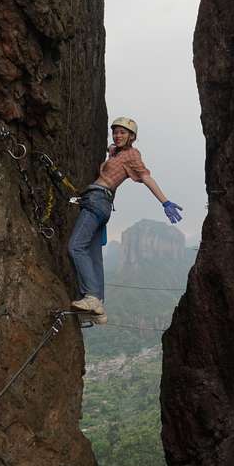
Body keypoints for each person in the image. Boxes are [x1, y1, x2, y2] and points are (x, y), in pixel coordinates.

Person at [68, 117, 183, 325]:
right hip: (102, 203)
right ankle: (99, 309)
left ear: (132, 136)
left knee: (76, 247)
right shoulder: (118, 153)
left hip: (96, 199)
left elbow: (146, 177)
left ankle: (91, 298)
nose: (118, 135)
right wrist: (112, 150)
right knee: (94, 255)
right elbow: (113, 151)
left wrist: (165, 202)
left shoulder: (132, 154)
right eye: (116, 132)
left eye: (123, 132)